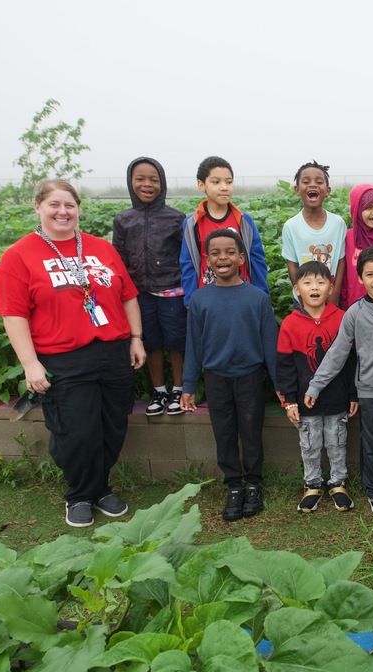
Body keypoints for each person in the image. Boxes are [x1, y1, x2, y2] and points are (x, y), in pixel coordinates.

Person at [0, 179, 147, 528]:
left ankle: (101, 488)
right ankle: (79, 494)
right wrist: (30, 364)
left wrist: (135, 338)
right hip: (63, 358)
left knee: (112, 425)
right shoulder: (19, 256)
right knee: (76, 432)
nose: (63, 212)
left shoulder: (100, 248)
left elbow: (127, 295)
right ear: (38, 207)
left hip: (112, 352)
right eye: (54, 205)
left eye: (69, 205)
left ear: (78, 208)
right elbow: (13, 315)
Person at [180, 229, 279, 522]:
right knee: (223, 433)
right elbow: (193, 345)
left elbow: (270, 346)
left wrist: (279, 384)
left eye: (229, 252)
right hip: (216, 379)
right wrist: (188, 384)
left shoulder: (257, 298)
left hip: (249, 377)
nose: (223, 257)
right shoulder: (200, 300)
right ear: (207, 260)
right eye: (215, 253)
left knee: (250, 431)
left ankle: (253, 483)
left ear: (241, 257)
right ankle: (233, 486)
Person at [305, 247, 373, 514]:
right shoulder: (355, 312)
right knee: (372, 443)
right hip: (370, 391)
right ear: (360, 278)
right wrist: (316, 385)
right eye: (370, 274)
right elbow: (337, 352)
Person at [276, 261, 357, 513]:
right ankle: (312, 484)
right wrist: (289, 400)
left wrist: (353, 394)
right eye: (308, 282)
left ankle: (338, 483)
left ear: (331, 287)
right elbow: (284, 366)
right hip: (303, 401)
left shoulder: (342, 318)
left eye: (321, 282)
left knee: (336, 441)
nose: (315, 287)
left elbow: (351, 361)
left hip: (337, 397)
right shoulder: (290, 323)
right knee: (309, 444)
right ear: (297, 289)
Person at [112, 156, 188, 417]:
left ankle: (179, 388)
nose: (147, 184)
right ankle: (160, 390)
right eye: (140, 179)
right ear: (130, 182)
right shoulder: (123, 220)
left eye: (154, 180)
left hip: (172, 292)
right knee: (150, 342)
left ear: (162, 183)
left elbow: (187, 257)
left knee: (177, 342)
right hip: (139, 295)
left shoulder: (176, 219)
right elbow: (118, 260)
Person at [180, 156, 269, 308]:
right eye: (216, 182)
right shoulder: (192, 223)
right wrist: (190, 299)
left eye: (229, 182)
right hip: (207, 298)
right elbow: (187, 263)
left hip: (242, 295)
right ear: (202, 185)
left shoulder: (244, 220)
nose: (224, 187)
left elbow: (257, 259)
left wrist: (263, 295)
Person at [281, 160, 347, 307]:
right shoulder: (291, 226)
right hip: (303, 298)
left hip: (330, 295)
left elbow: (341, 260)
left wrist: (335, 293)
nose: (312, 185)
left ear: (327, 190)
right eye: (306, 181)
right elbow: (292, 265)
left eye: (319, 181)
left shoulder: (338, 223)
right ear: (297, 189)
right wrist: (302, 297)